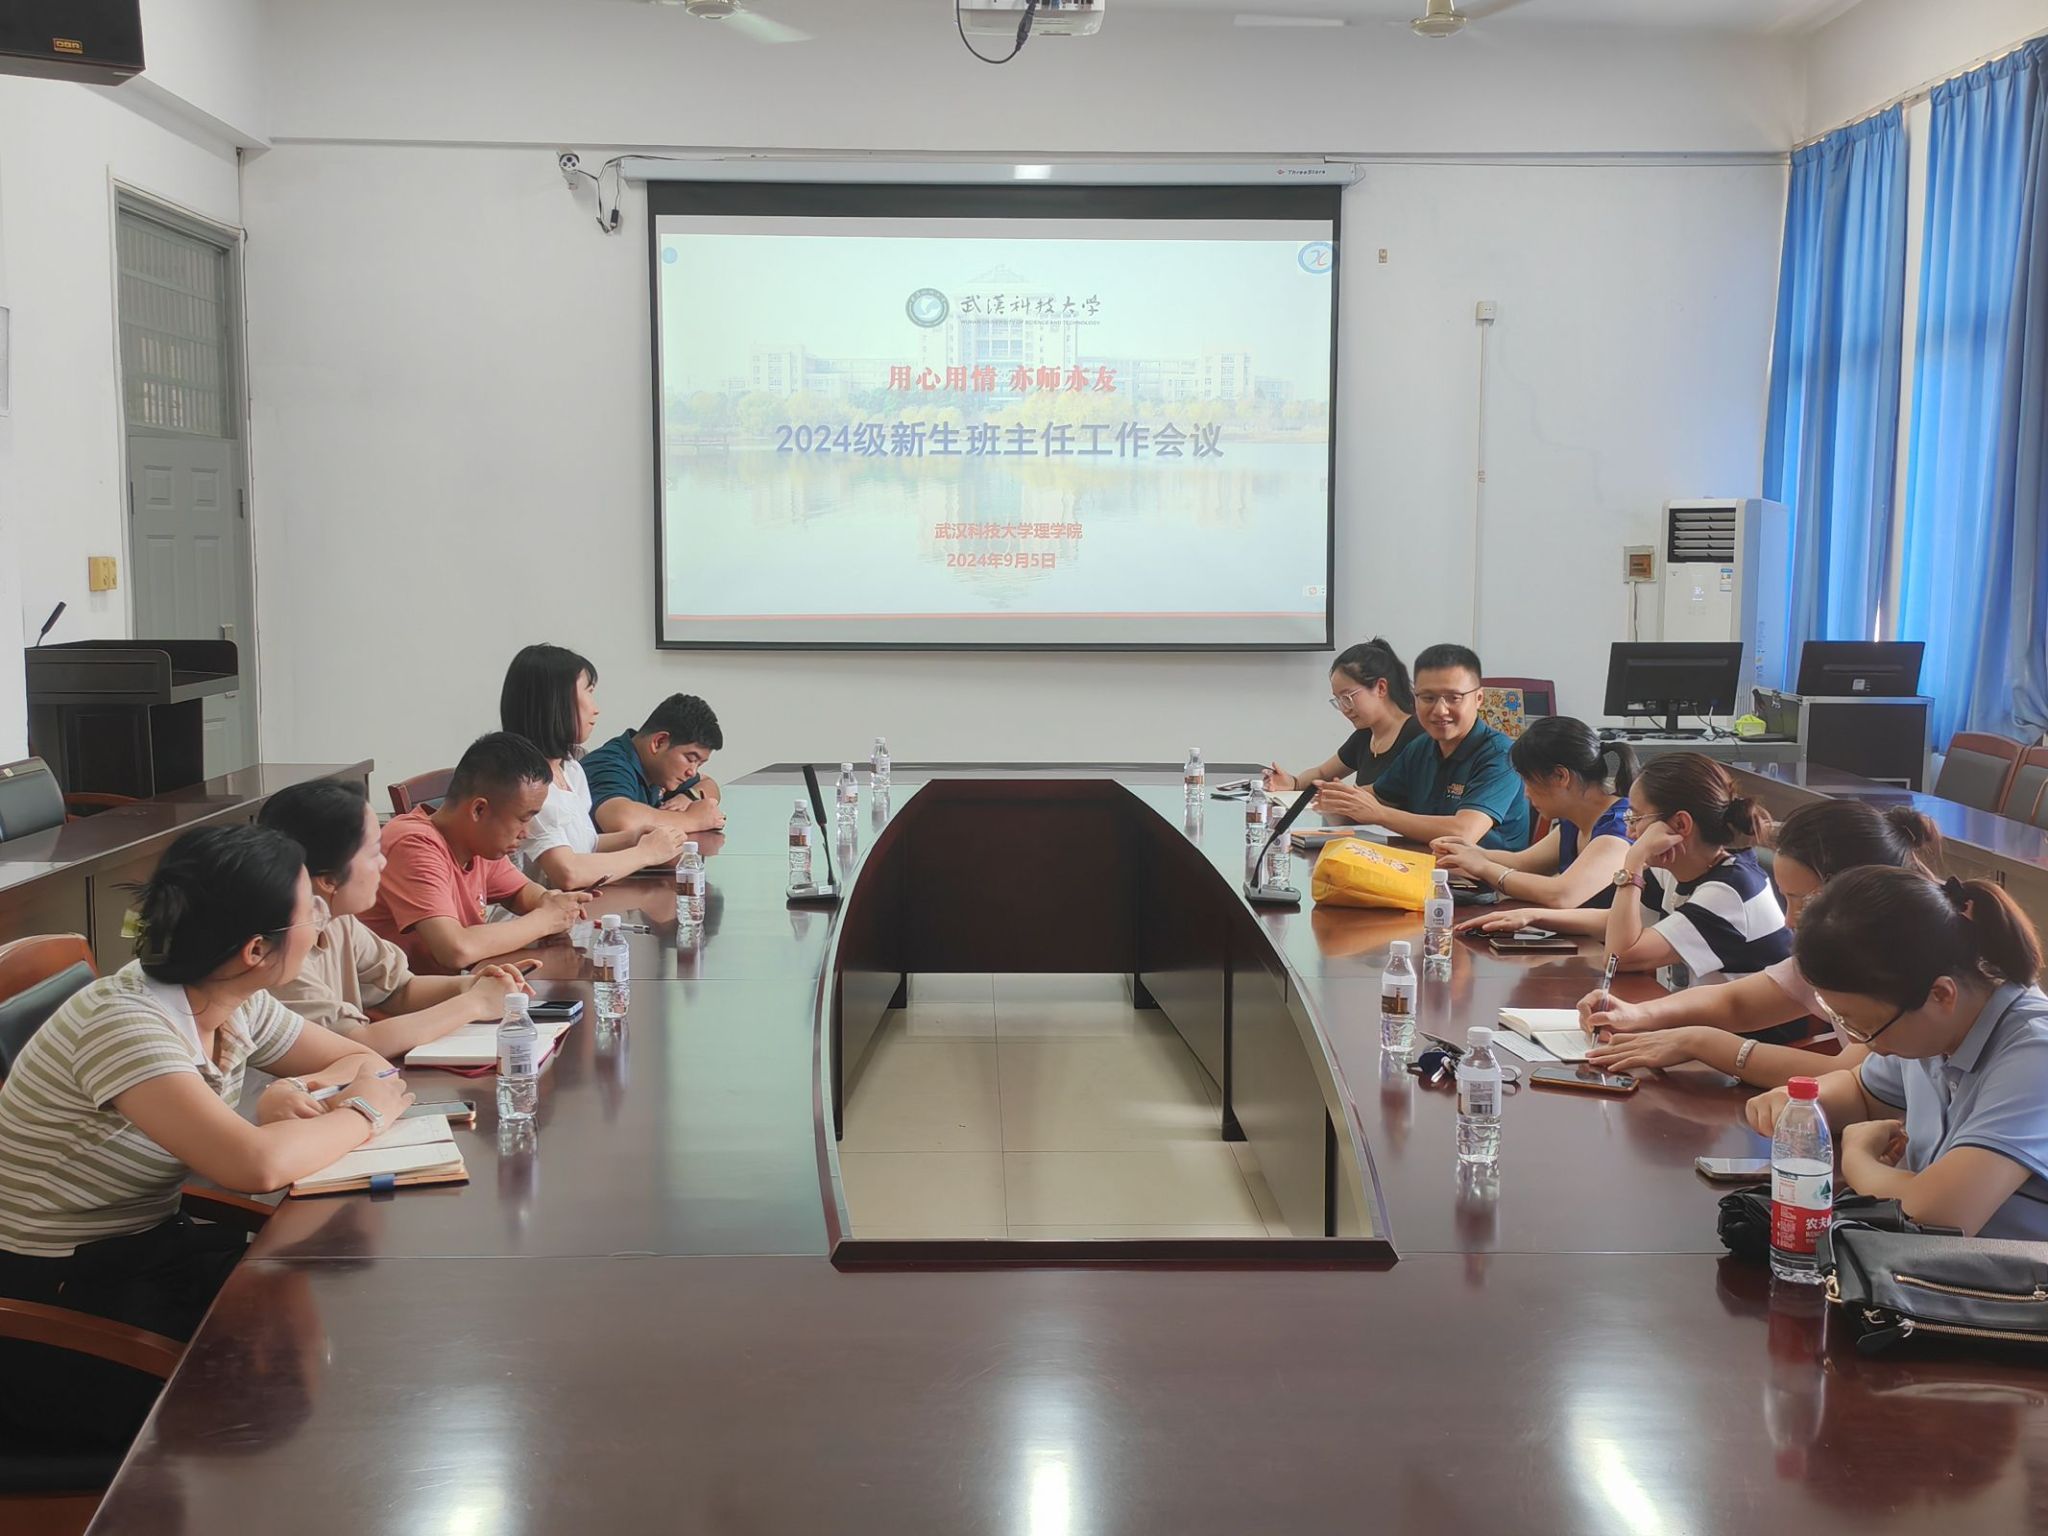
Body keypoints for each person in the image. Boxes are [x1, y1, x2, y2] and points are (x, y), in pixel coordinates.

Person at [0, 824, 414, 1447]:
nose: (323, 925)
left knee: (343, 1315)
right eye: (311, 911)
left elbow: (364, 1061)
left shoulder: (229, 998)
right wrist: (361, 1113)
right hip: (56, 1311)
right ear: (256, 949)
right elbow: (255, 1166)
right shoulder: (126, 1024)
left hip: (146, 1253)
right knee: (302, 1386)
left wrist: (299, 1092)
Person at [1745, 867, 2048, 1240]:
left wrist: (1858, 1158)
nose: (1861, 1042)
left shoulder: (2035, 1056)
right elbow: (1861, 1093)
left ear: (1941, 995)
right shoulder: (1936, 1030)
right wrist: (1801, 1107)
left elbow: (1937, 1216)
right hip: (1934, 1265)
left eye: (1868, 1027)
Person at [1581, 802, 1943, 1085]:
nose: (1789, 920)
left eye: (1803, 901)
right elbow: (1736, 1002)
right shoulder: (1842, 943)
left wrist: (1699, 1042)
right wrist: (1637, 1014)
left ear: (1855, 890)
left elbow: (1851, 1077)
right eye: (1787, 899)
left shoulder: (1905, 959)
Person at [259, 778, 535, 1056]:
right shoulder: (278, 953)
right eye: (373, 853)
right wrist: (475, 1003)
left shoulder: (337, 920)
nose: (384, 863)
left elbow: (399, 989)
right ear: (329, 879)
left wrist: (474, 984)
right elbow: (356, 1044)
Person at [1460, 752, 1789, 980]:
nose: (1630, 831)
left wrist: (1633, 862)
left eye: (1636, 817)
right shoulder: (1678, 867)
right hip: (1698, 1028)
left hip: (1746, 1048)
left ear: (1680, 825)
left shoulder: (1728, 891)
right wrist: (1533, 917)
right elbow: (1620, 923)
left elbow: (1621, 957)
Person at [361, 732, 590, 973]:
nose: (526, 832)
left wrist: (551, 902)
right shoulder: (413, 844)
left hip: (452, 986)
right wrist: (545, 920)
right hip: (400, 994)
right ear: (479, 810)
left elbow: (518, 892)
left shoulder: (478, 842)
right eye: (523, 819)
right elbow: (455, 950)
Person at [1307, 643, 1532, 851]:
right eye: (1428, 698)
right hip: (1424, 864)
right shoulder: (1421, 747)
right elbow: (1376, 796)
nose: (1440, 710)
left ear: (1479, 698)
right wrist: (1337, 798)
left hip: (1482, 878)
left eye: (1454, 698)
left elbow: (1464, 832)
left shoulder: (1500, 754)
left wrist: (1379, 814)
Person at [498, 644, 690, 887]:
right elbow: (568, 872)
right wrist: (646, 853)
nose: (596, 709)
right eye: (588, 692)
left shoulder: (570, 769)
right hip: (538, 909)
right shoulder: (527, 785)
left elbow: (584, 845)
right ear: (555, 703)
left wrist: (634, 838)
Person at [1437, 716, 1636, 913]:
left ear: (1561, 776)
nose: (1526, 793)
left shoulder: (1620, 828)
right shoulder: (1576, 821)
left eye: (1528, 780)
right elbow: (1523, 863)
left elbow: (1562, 895)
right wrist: (1471, 852)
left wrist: (1483, 867)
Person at [1262, 637, 1424, 794]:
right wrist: (1293, 783)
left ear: (1381, 688)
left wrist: (1346, 796)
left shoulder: (1419, 736)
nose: (1345, 709)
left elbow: (1401, 798)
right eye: (1338, 700)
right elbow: (1322, 773)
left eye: (1347, 697)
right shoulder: (1366, 734)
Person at [583, 693, 726, 838]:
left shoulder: (656, 769)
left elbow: (708, 783)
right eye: (690, 759)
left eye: (699, 764)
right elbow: (621, 820)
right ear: (659, 742)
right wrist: (693, 819)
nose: (692, 772)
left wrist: (689, 796)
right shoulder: (608, 764)